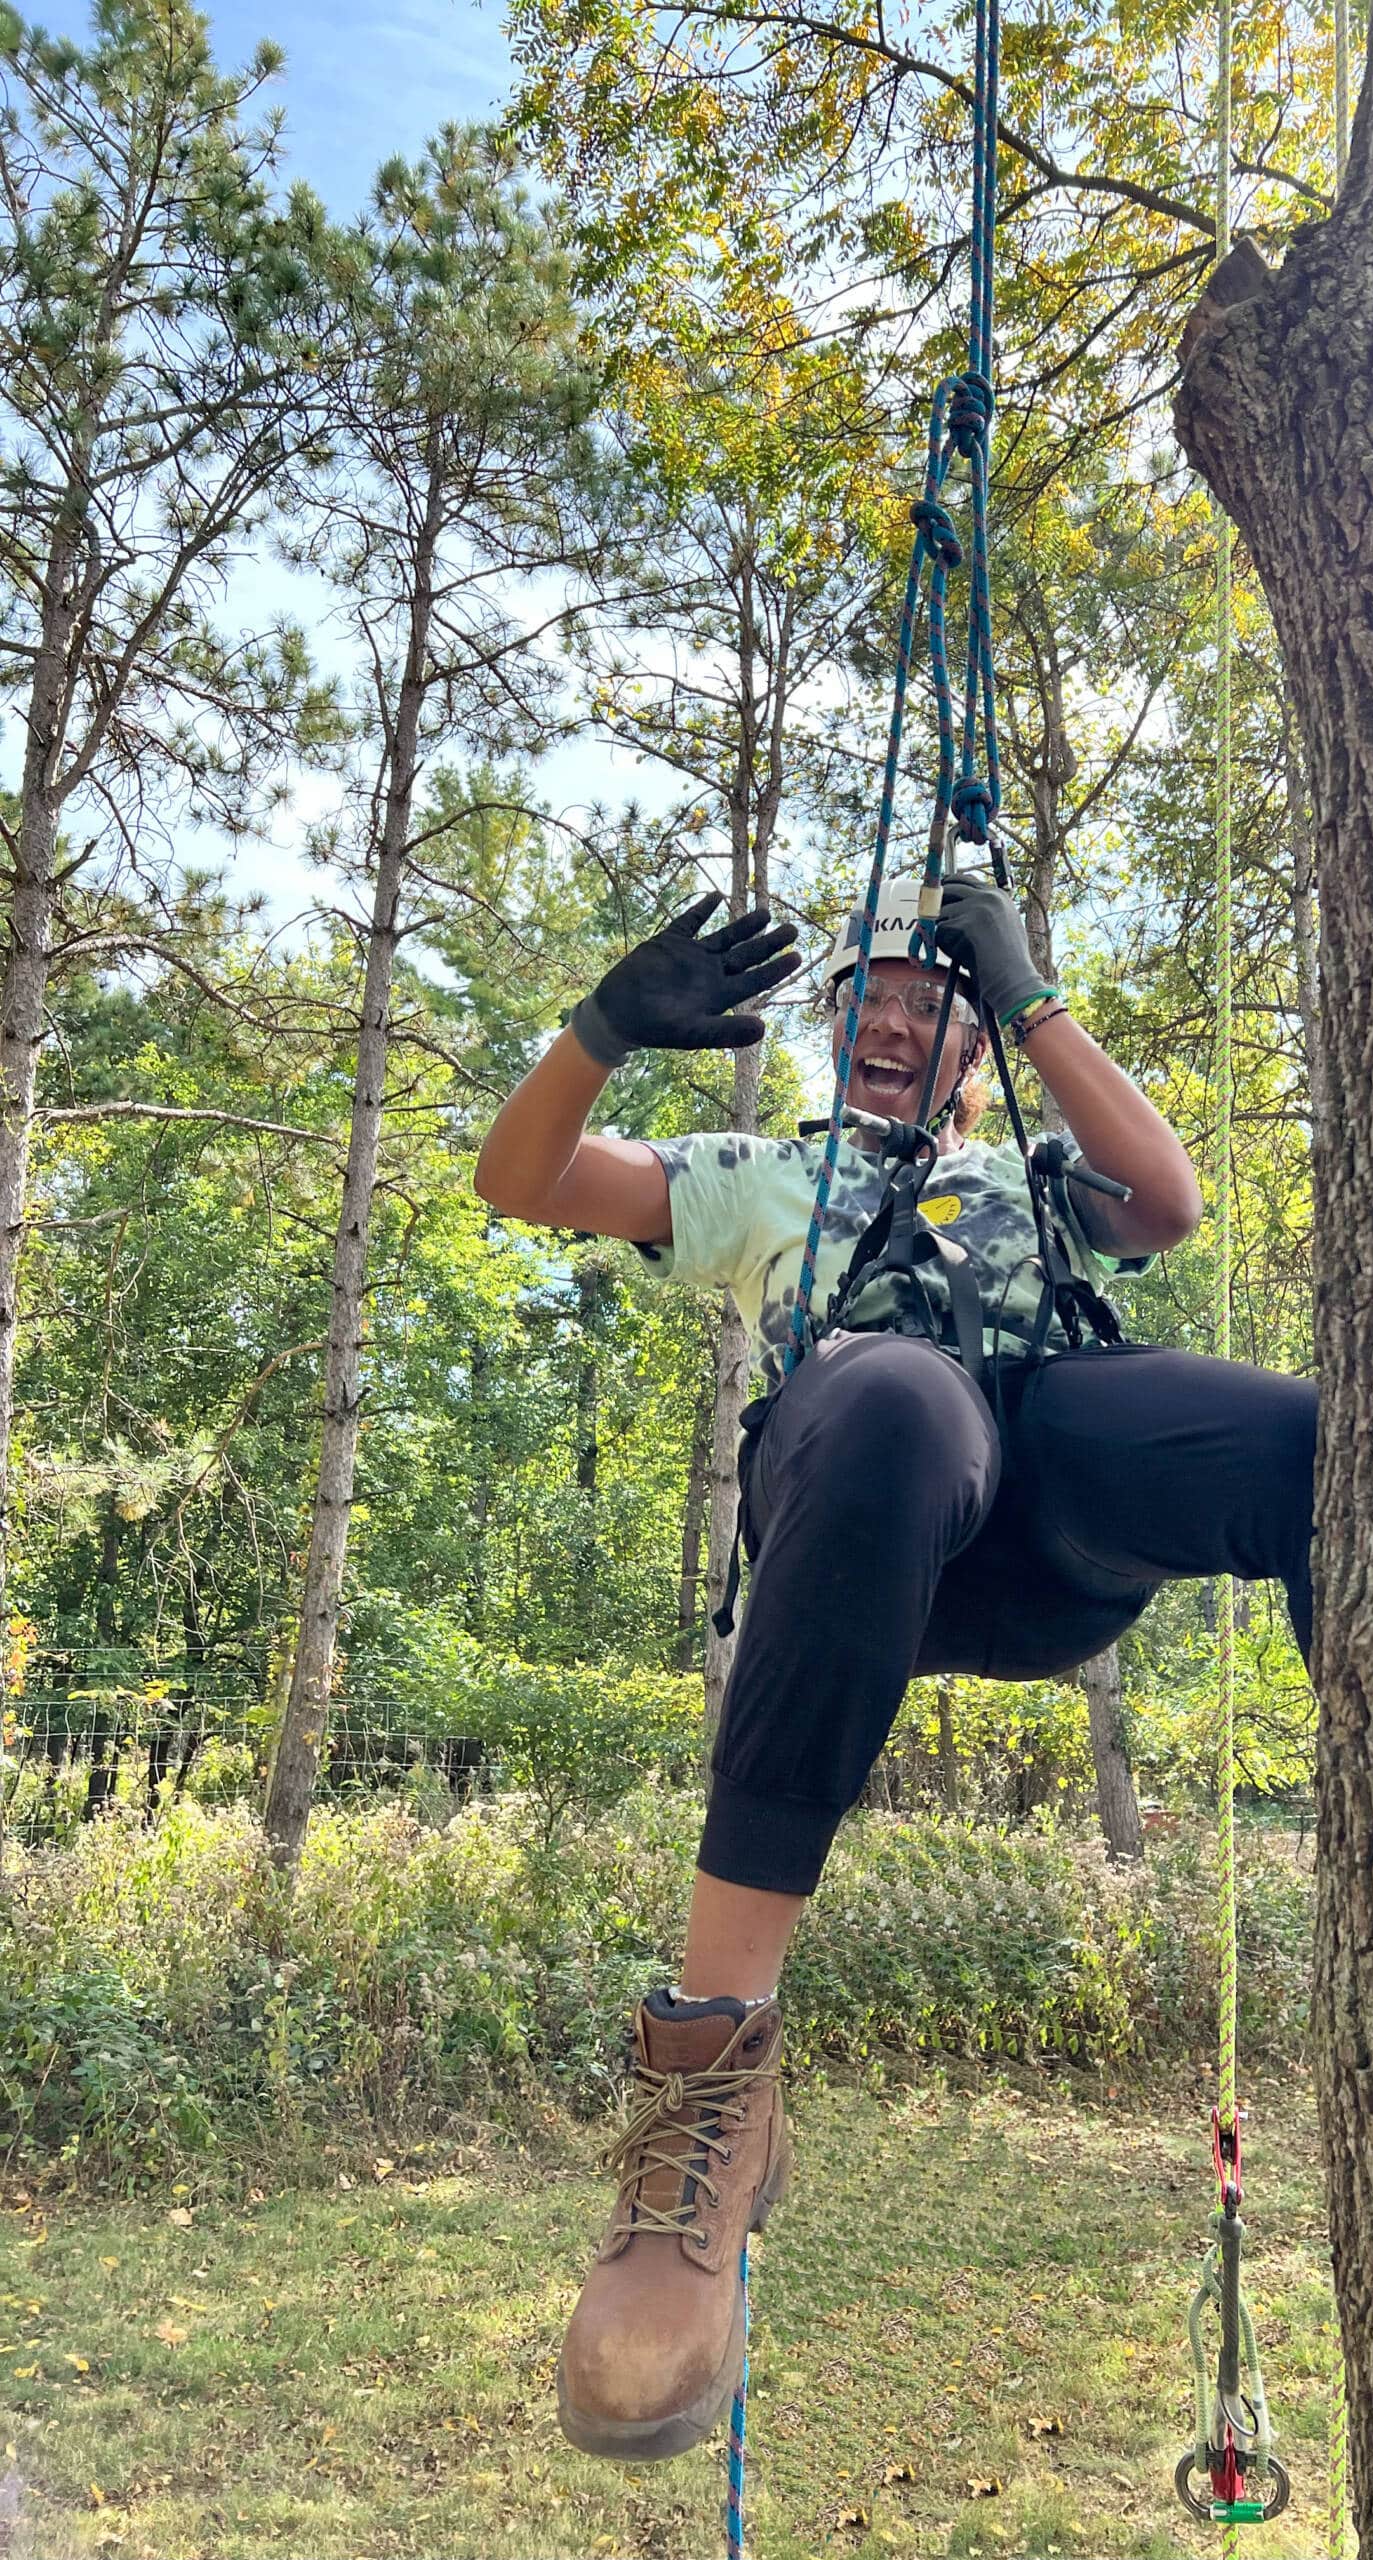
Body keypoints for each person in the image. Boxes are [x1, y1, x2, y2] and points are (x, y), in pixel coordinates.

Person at [472, 871, 1318, 2465]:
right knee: (893, 1392)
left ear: (970, 1057)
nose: (899, 1023)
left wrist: (1035, 1000)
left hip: (1054, 1521)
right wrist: (598, 1033)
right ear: (835, 1034)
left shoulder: (1039, 1179)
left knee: (1305, 1440)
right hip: (874, 1519)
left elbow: (1172, 1201)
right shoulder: (763, 1177)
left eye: (937, 1010)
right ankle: (715, 2072)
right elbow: (523, 1181)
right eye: (873, 1002)